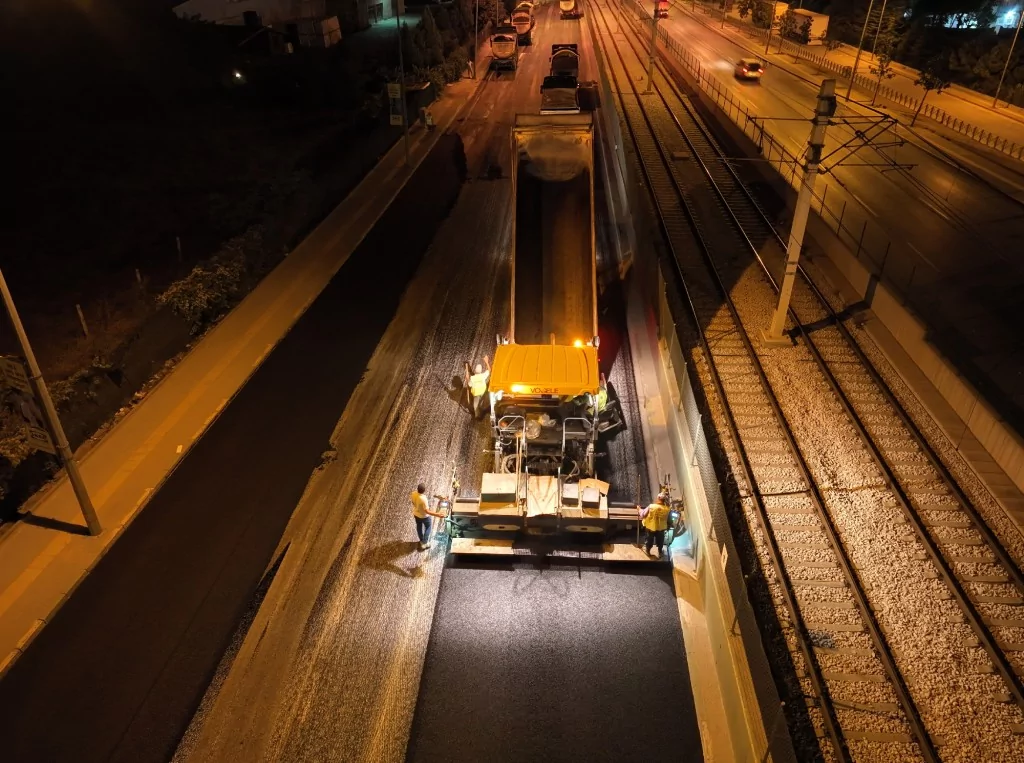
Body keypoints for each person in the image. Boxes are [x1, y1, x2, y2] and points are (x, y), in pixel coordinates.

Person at [411, 482, 445, 551]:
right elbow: (427, 511)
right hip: (424, 516)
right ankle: (424, 542)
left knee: (419, 526)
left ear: (417, 489)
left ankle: (421, 540)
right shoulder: (423, 499)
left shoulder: (413, 493)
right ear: (424, 490)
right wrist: (437, 514)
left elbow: (413, 502)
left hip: (416, 514)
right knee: (428, 527)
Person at [639, 494, 671, 558]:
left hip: (650, 527)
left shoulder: (651, 506)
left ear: (658, 498)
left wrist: (639, 509)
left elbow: (643, 515)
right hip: (661, 528)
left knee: (649, 540)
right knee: (660, 540)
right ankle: (660, 552)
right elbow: (668, 519)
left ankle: (648, 551)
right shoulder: (667, 509)